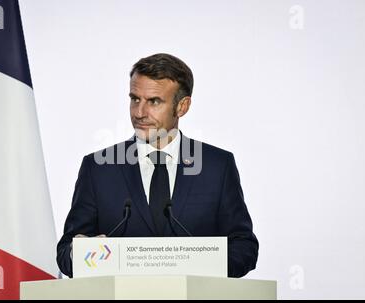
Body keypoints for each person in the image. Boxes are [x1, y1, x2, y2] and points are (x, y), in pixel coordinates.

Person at [57, 53, 258, 278]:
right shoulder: (98, 168)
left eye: (154, 102)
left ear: (182, 106)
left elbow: (245, 249)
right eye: (135, 99)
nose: (139, 113)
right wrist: (81, 253)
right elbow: (66, 254)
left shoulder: (217, 166)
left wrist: (199, 263)